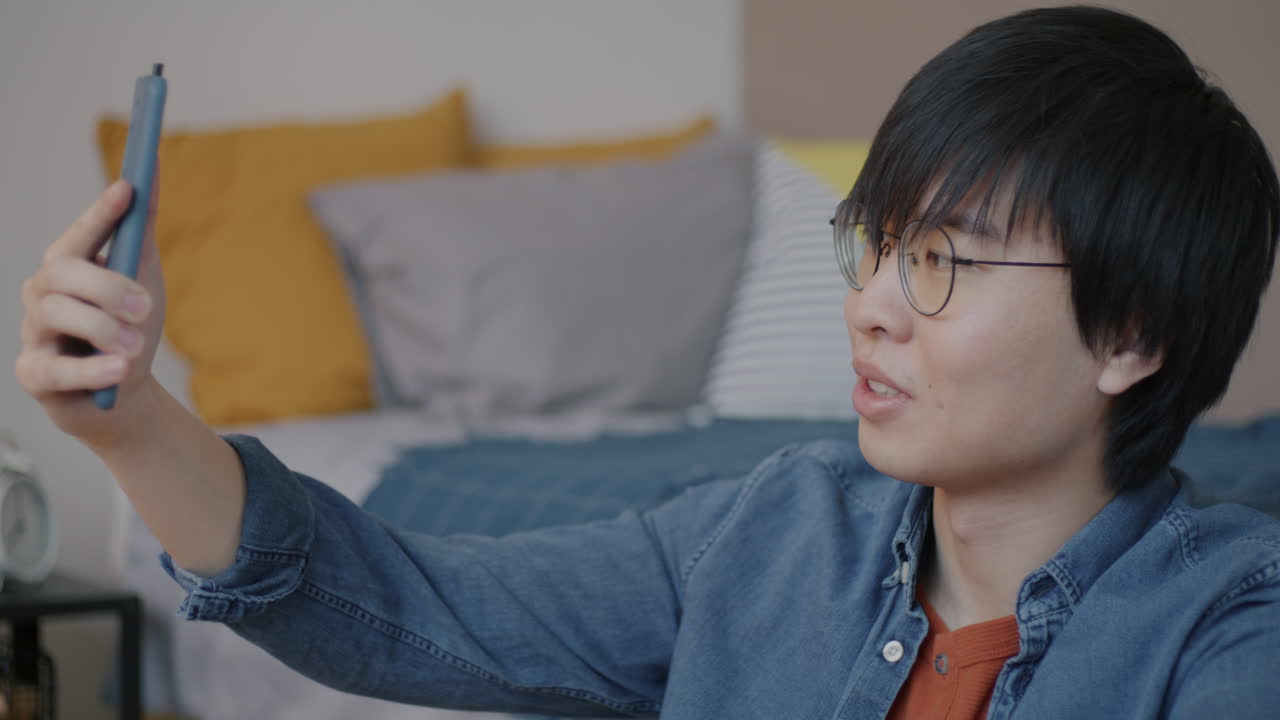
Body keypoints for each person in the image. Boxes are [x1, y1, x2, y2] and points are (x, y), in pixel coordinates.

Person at [15, 5, 1280, 718]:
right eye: (876, 246)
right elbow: (404, 603)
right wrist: (129, 421)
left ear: (1132, 335)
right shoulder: (768, 532)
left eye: (943, 262)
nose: (871, 309)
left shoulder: (1232, 627)